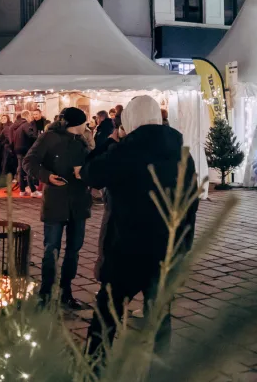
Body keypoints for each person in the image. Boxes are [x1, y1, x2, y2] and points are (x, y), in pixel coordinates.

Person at [77, 95, 198, 363]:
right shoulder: (182, 154)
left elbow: (90, 173)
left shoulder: (125, 152)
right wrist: (184, 243)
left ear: (129, 120)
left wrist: (110, 141)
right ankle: (159, 370)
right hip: (166, 249)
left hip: (126, 249)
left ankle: (94, 368)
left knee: (107, 314)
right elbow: (190, 204)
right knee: (159, 316)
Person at [23, 107, 92, 309]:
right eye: (84, 122)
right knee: (51, 249)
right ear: (77, 123)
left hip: (78, 203)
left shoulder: (82, 141)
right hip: (56, 201)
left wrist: (86, 172)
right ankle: (45, 293)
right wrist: (46, 176)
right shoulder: (49, 138)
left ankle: (65, 291)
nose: (86, 126)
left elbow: (91, 164)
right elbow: (29, 161)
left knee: (74, 250)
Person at [11, 110, 40, 197]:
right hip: (25, 149)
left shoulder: (16, 126)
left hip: (18, 149)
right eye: (30, 115)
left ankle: (22, 190)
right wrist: (39, 139)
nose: (31, 117)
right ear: (27, 116)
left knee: (21, 170)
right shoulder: (26, 124)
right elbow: (31, 135)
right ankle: (33, 190)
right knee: (28, 169)